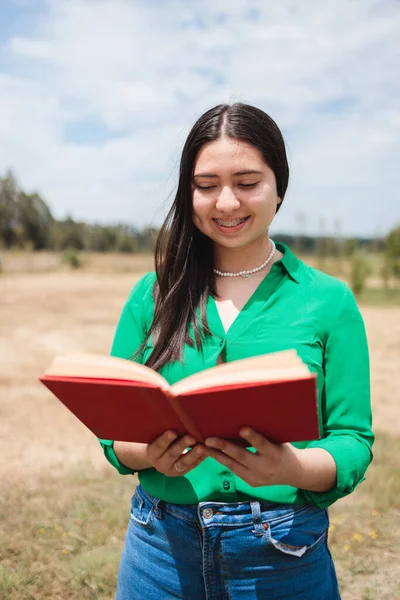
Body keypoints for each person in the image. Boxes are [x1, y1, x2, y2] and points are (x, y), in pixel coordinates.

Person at [99, 103, 374, 600]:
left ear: (279, 188)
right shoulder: (152, 294)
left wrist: (291, 470)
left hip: (284, 553)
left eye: (247, 182)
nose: (226, 202)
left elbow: (353, 440)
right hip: (159, 549)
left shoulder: (329, 301)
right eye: (206, 185)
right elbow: (113, 433)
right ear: (189, 193)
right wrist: (151, 455)